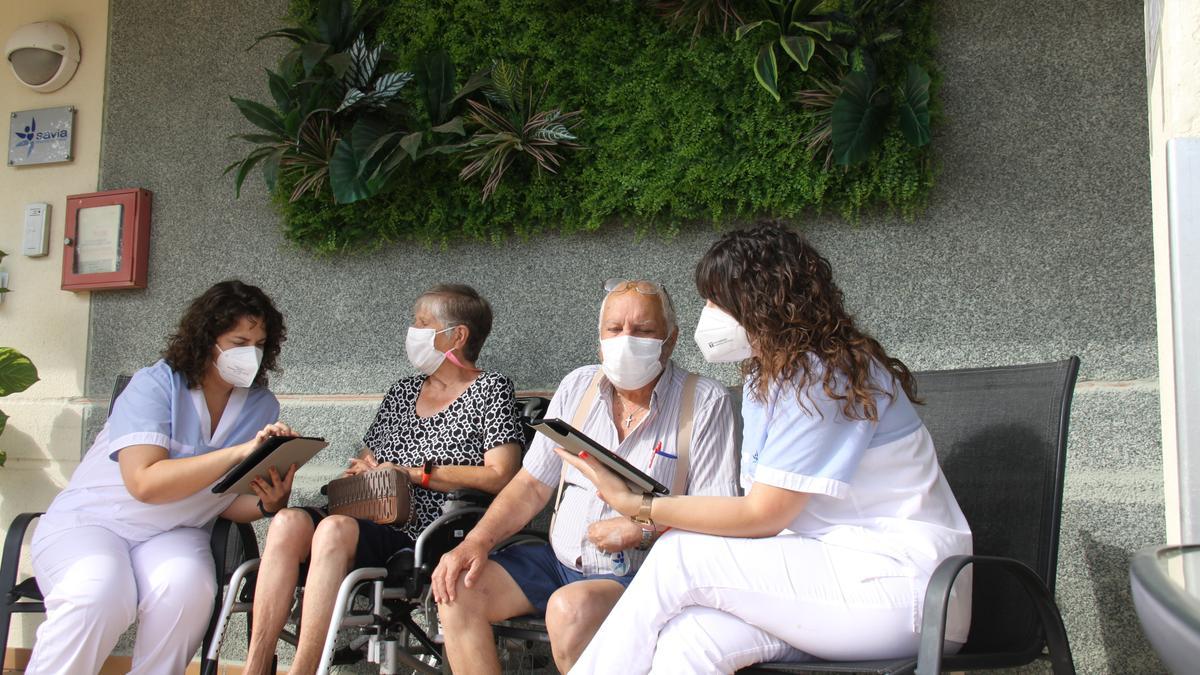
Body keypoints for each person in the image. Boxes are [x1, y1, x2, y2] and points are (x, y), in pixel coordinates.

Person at [560, 224, 973, 673]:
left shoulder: (823, 375)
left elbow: (763, 516)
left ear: (761, 303)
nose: (707, 315)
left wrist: (640, 506)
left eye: (716, 301)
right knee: (690, 638)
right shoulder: (768, 379)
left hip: (908, 593)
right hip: (835, 583)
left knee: (680, 554)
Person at [432, 278, 740, 674]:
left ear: (671, 340)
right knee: (457, 589)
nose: (626, 340)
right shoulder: (577, 385)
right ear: (599, 338)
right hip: (558, 562)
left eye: (643, 330)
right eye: (615, 329)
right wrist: (474, 543)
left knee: (570, 610)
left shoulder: (705, 401)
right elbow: (530, 484)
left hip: (643, 574)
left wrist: (642, 528)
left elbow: (716, 512)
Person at [243, 284, 525, 675]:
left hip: (426, 530)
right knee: (288, 521)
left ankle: (303, 670)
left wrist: (412, 473)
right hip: (369, 512)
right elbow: (369, 457)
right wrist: (361, 469)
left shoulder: (490, 389)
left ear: (457, 335)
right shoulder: (403, 391)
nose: (412, 330)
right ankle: (255, 667)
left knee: (333, 530)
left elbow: (503, 475)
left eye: (423, 323)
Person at [26, 280, 295, 675]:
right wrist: (239, 453)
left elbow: (223, 499)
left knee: (187, 593)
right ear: (208, 339)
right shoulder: (155, 385)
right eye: (239, 341)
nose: (250, 354)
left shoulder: (261, 406)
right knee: (98, 595)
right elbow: (145, 483)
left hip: (176, 531)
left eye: (259, 344)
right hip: (96, 523)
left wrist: (266, 502)